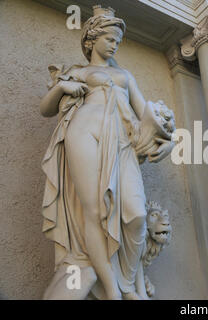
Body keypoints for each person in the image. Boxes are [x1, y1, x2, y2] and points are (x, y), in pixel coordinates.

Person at [39, 5, 174, 300]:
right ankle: (113, 291)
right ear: (91, 40)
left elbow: (146, 115)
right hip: (83, 134)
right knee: (94, 211)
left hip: (121, 145)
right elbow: (46, 109)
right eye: (110, 38)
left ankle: (126, 284)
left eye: (117, 40)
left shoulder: (125, 76)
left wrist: (169, 142)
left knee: (136, 215)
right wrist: (62, 86)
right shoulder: (78, 72)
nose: (115, 44)